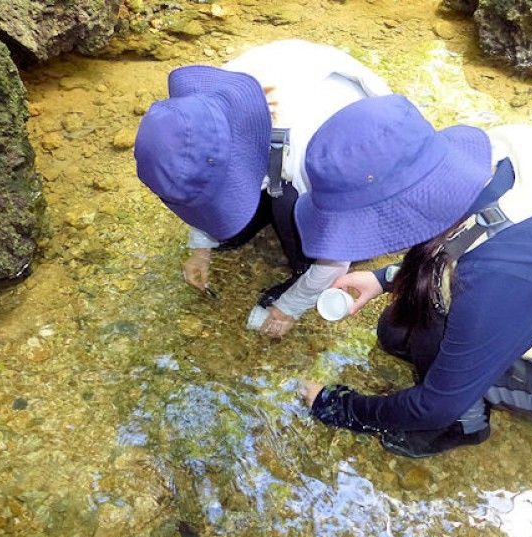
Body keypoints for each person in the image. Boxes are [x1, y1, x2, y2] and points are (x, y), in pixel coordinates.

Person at [295, 95, 532, 458]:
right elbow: (462, 238)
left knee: (433, 328)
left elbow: (434, 404)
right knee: (397, 331)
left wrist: (342, 407)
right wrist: (384, 278)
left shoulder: (499, 278)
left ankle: (465, 428)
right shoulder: (495, 154)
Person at [134, 39, 391, 337]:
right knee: (267, 196)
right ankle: (260, 210)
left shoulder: (321, 156)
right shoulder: (205, 108)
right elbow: (201, 179)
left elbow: (337, 255)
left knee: (292, 208)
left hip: (360, 158)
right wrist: (201, 246)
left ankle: (299, 262)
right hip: (282, 142)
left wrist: (290, 306)